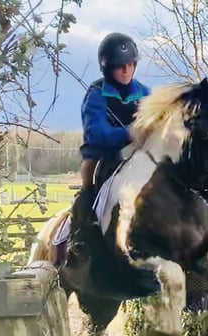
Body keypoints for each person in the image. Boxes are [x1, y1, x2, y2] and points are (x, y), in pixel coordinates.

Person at [70, 32, 150, 258]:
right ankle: (82, 230)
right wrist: (131, 132)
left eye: (130, 65)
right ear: (107, 68)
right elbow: (98, 135)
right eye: (119, 66)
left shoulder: (144, 92)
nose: (126, 70)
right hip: (102, 154)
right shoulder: (96, 94)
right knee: (90, 175)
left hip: (138, 154)